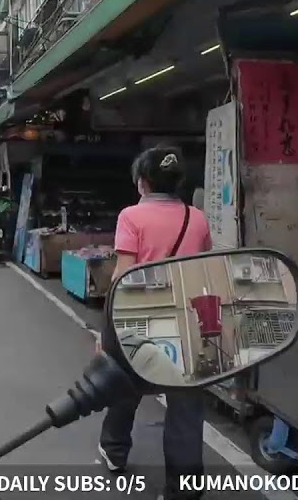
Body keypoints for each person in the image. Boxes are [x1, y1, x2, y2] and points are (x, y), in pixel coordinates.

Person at [97, 146, 210, 500]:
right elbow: (204, 268)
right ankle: (184, 492)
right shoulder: (198, 218)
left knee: (124, 385)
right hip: (185, 323)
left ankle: (114, 451)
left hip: (139, 319)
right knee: (186, 406)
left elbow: (122, 277)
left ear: (142, 182)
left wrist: (106, 332)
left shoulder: (131, 217)